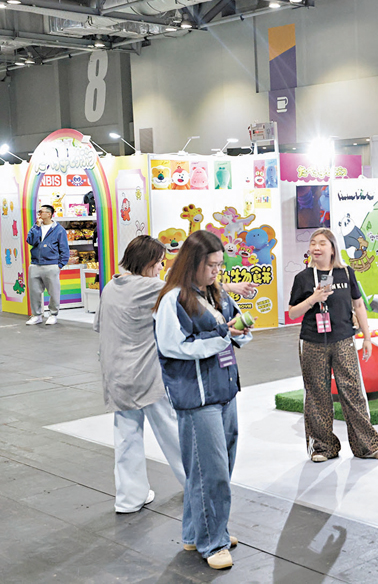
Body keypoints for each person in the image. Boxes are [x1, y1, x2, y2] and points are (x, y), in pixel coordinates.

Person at [94, 235, 257, 515]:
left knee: (126, 436)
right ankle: (196, 486)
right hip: (148, 373)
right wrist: (233, 288)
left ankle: (129, 498)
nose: (161, 267)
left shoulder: (111, 286)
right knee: (176, 435)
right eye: (158, 262)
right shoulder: (153, 288)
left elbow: (98, 325)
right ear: (147, 262)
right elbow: (187, 291)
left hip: (116, 373)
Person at [153, 230, 253, 570]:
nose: (216, 271)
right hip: (197, 397)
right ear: (193, 263)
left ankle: (197, 533)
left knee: (213, 468)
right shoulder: (174, 300)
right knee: (211, 473)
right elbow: (173, 347)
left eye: (219, 265)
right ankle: (213, 542)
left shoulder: (216, 293)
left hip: (224, 390)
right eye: (211, 265)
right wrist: (222, 337)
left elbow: (234, 329)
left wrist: (238, 331)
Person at [287, 228, 378, 462]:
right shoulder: (303, 278)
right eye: (313, 243)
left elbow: (359, 305)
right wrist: (313, 299)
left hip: (343, 339)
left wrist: (367, 337)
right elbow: (293, 312)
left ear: (333, 248)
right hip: (312, 341)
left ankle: (368, 446)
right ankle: (322, 448)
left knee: (353, 391)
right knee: (317, 394)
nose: (316, 247)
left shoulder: (345, 273)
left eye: (322, 243)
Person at [25, 204, 69, 325]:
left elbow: (64, 249)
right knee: (34, 292)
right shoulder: (35, 227)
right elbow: (30, 241)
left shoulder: (59, 230)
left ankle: (53, 314)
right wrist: (36, 227)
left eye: (41, 211)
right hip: (35, 264)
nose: (39, 214)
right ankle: (37, 315)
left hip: (51, 265)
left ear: (49, 214)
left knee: (54, 292)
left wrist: (60, 265)